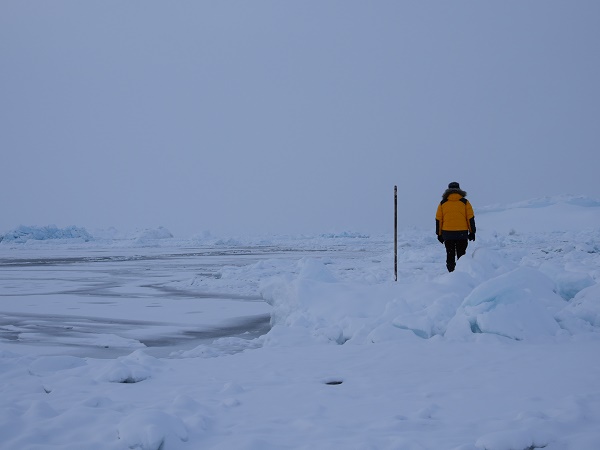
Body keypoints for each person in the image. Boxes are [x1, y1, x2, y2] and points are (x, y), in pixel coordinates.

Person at [435, 182, 476, 272]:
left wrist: (439, 234)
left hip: (447, 233)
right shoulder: (465, 202)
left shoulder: (443, 203)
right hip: (462, 233)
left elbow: (439, 219)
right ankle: (462, 272)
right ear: (459, 189)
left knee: (450, 254)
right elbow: (470, 218)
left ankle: (451, 273)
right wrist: (472, 232)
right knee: (461, 254)